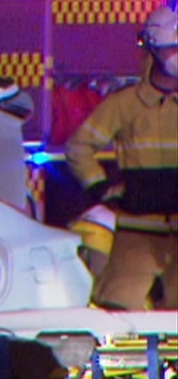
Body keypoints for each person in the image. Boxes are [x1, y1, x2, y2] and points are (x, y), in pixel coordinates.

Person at [65, 3, 178, 310]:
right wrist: (100, 189)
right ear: (154, 49)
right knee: (117, 312)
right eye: (173, 48)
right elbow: (79, 147)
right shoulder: (125, 104)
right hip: (137, 231)